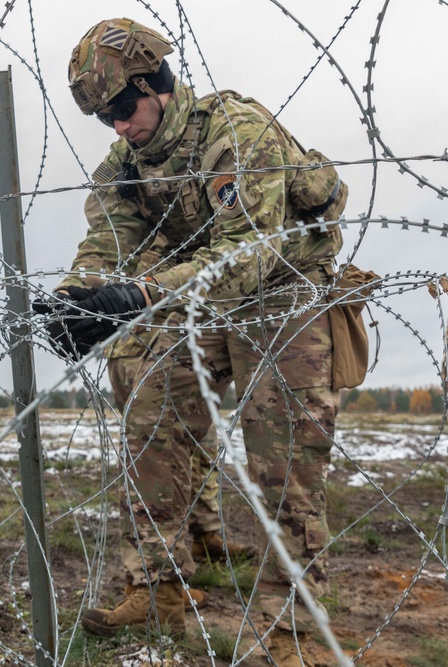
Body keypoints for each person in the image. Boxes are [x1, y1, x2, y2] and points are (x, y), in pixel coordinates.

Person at [40, 17, 345, 666]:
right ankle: (156, 586)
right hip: (195, 297)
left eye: (124, 107)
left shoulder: (235, 134)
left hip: (281, 288)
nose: (120, 126)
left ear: (160, 84)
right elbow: (105, 247)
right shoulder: (124, 167)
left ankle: (288, 629)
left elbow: (249, 253)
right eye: (104, 117)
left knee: (280, 456)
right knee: (151, 413)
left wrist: (142, 295)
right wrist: (72, 301)